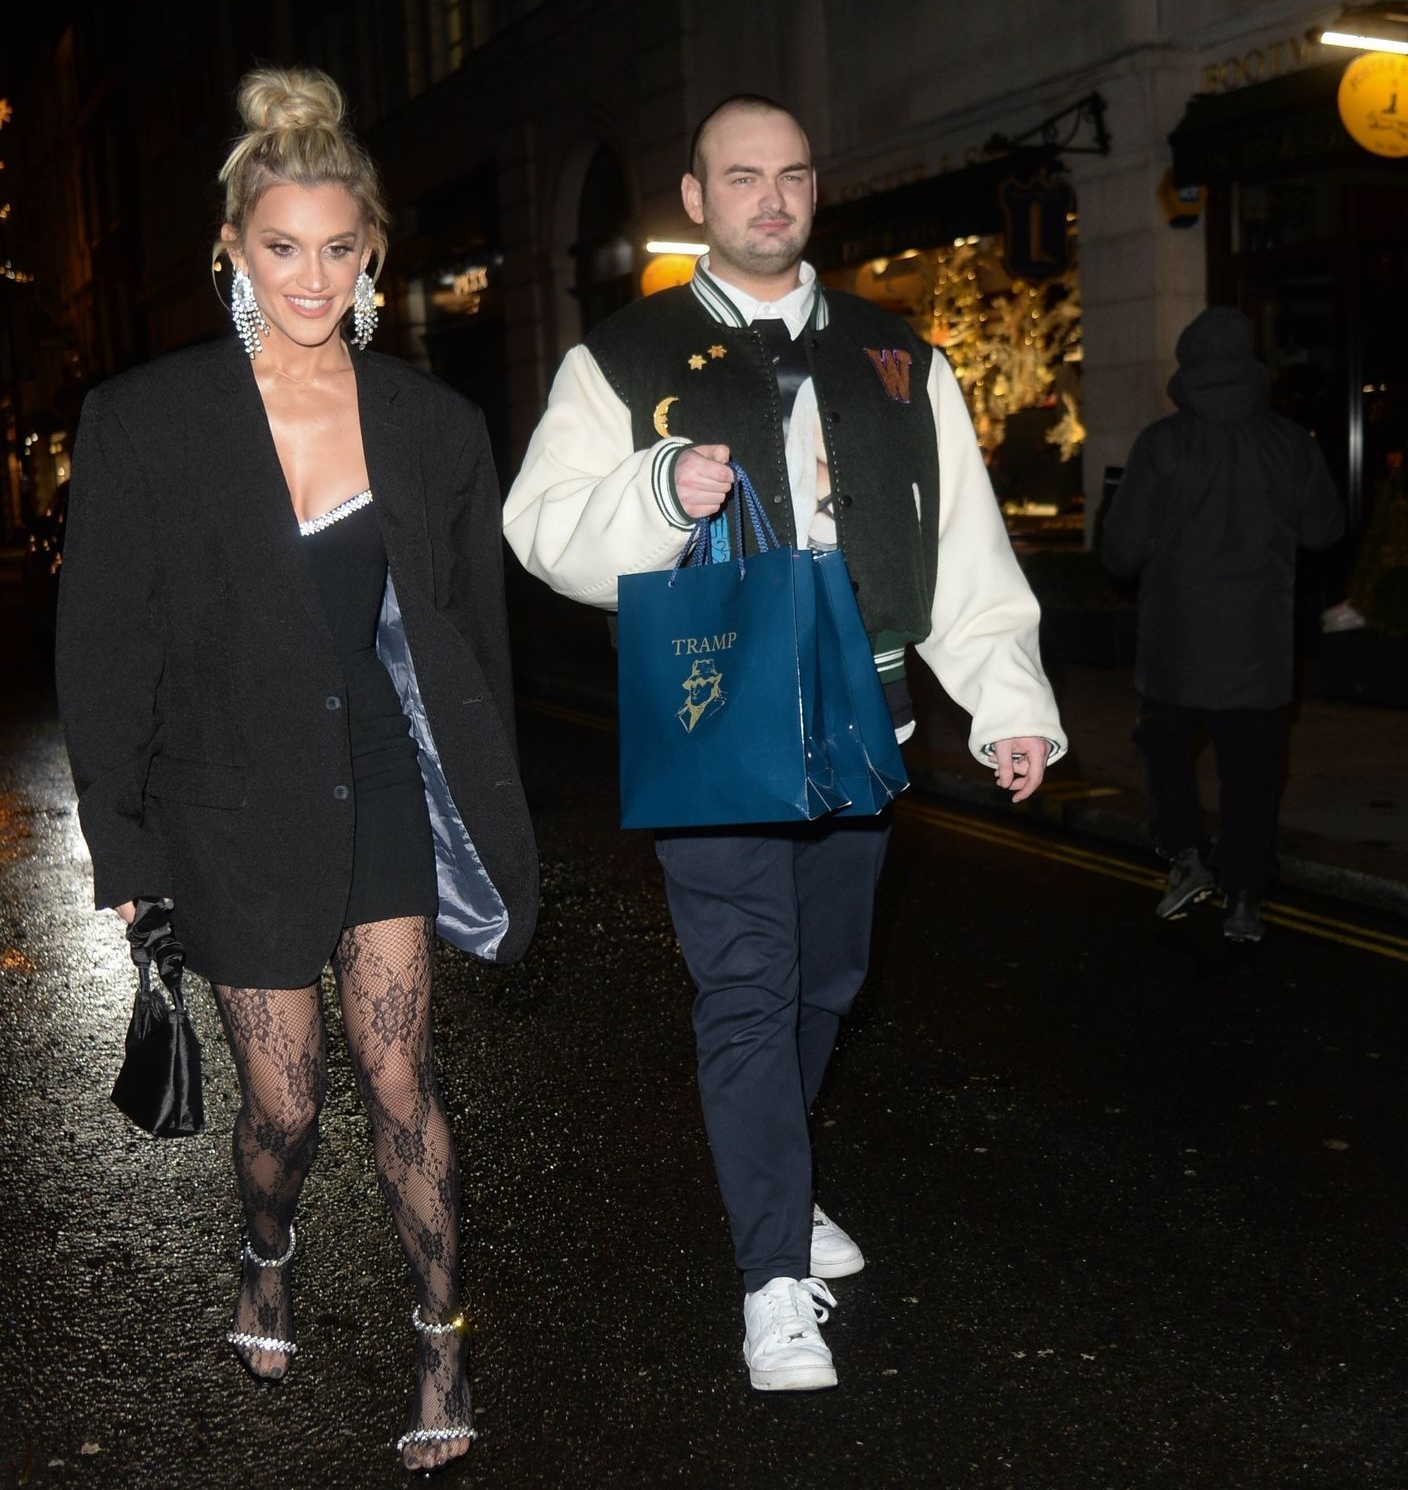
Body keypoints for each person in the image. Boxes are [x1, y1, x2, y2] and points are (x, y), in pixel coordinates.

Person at [504, 95, 1065, 1392]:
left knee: (826, 982)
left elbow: (964, 546)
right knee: (750, 989)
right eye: (742, 177)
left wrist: (1010, 702)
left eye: (793, 176)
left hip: (867, 722)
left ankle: (782, 1180)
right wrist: (657, 490)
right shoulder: (620, 358)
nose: (771, 198)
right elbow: (538, 528)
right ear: (696, 198)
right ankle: (770, 1279)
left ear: (817, 190)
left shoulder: (899, 356)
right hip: (714, 731)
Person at [56, 67, 537, 1470]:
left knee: (400, 1080)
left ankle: (441, 1343)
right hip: (229, 799)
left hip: (379, 779)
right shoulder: (147, 421)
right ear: (234, 250)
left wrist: (493, 807)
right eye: (283, 247)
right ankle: (265, 1247)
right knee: (288, 1102)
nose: (313, 278)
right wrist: (125, 847)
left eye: (339, 248)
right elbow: (104, 649)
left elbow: (472, 642)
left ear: (373, 251)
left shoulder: (433, 427)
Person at [1100, 306, 1344, 945]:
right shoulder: (1290, 442)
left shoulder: (1162, 443)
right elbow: (1325, 529)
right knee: (1252, 771)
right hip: (1259, 645)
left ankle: (1186, 855)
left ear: (1187, 365)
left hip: (1175, 642)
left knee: (1165, 750)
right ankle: (1244, 896)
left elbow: (1120, 552)